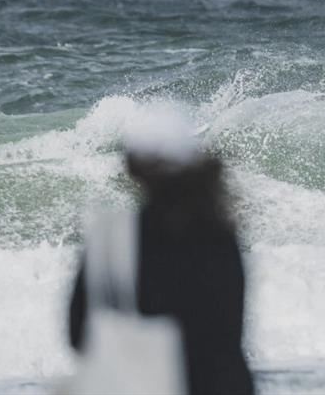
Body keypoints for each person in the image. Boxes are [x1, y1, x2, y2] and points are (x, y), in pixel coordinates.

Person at [69, 150, 254, 395]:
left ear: (133, 169)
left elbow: (77, 335)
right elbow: (231, 332)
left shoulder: (114, 240)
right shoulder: (222, 237)